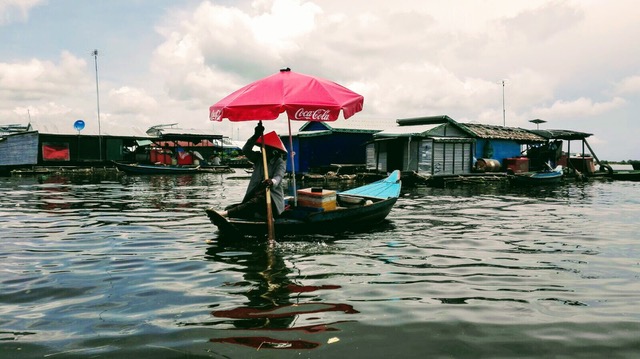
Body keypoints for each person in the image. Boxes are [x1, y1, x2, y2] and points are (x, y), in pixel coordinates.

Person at [221, 123, 287, 219]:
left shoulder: (279, 162)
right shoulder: (259, 159)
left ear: (273, 151)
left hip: (271, 200)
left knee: (257, 201)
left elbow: (279, 176)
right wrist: (256, 135)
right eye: (262, 149)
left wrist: (271, 181)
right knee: (229, 208)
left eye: (265, 149)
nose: (262, 151)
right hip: (255, 196)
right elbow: (246, 150)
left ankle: (225, 214)